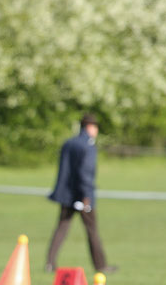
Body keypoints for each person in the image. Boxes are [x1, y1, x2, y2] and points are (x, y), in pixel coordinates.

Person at [45, 113, 116, 274]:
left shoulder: (69, 143)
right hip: (83, 198)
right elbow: (86, 172)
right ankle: (101, 265)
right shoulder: (88, 146)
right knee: (92, 230)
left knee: (62, 227)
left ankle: (50, 263)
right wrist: (86, 197)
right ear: (91, 127)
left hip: (67, 195)